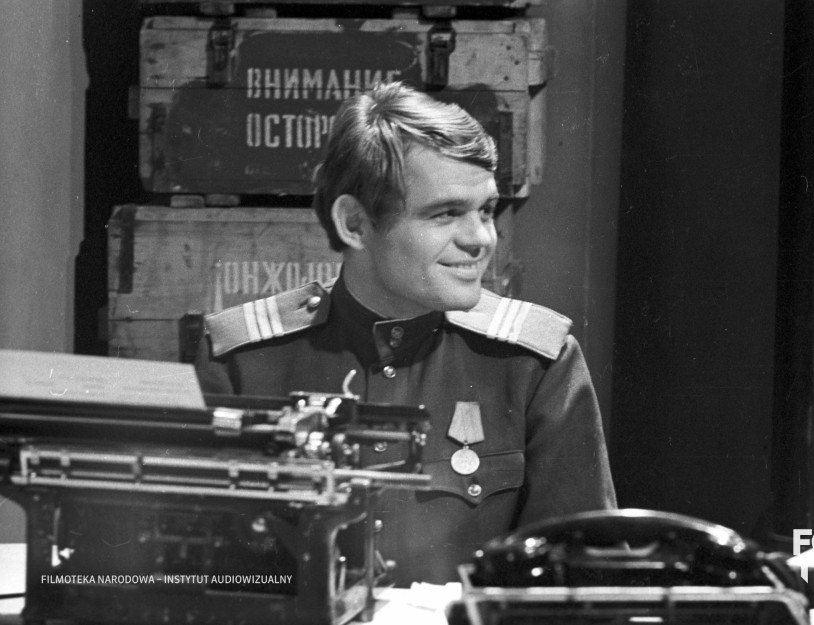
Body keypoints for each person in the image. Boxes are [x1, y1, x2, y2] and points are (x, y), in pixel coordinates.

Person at [196, 81, 617, 585]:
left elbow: (581, 582)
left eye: (486, 210)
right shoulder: (239, 363)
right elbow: (201, 581)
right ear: (355, 223)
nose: (481, 238)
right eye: (446, 214)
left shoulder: (536, 365)